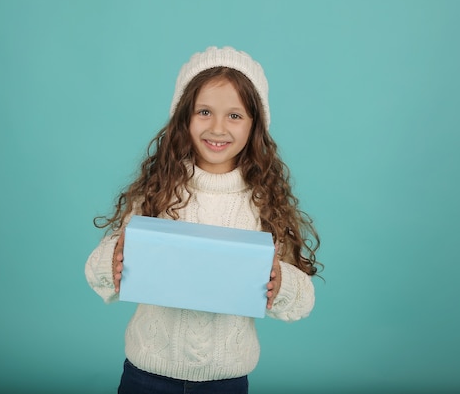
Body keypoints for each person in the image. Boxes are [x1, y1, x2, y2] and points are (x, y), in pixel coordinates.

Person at [85, 46, 321, 394]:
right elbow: (97, 271)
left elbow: (304, 300)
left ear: (255, 125)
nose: (218, 128)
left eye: (235, 115)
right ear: (184, 118)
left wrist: (280, 282)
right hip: (146, 375)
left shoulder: (264, 204)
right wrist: (113, 261)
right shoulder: (158, 192)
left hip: (226, 381)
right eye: (205, 111)